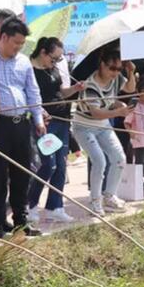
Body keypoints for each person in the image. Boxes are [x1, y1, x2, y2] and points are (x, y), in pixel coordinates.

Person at [0, 16, 45, 237]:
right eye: (15, 42)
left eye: (21, 44)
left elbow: (32, 91)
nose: (18, 47)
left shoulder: (24, 62)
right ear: (3, 37)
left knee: (22, 174)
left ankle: (20, 220)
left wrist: (38, 119)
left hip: (21, 123)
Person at [28, 37, 84, 223]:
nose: (56, 62)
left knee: (61, 166)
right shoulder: (30, 70)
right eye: (54, 58)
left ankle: (55, 206)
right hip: (46, 123)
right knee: (48, 165)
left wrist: (75, 88)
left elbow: (61, 92)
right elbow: (30, 98)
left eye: (59, 59)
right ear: (43, 52)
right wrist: (40, 114)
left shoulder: (53, 68)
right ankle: (31, 204)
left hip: (63, 120)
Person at [74, 47, 135, 213]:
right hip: (84, 127)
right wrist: (119, 111)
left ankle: (109, 196)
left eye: (118, 69)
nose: (115, 72)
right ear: (102, 64)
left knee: (119, 158)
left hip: (103, 126)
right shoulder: (90, 85)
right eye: (111, 68)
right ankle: (95, 201)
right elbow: (97, 113)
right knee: (99, 161)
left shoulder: (116, 79)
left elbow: (129, 89)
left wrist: (130, 72)